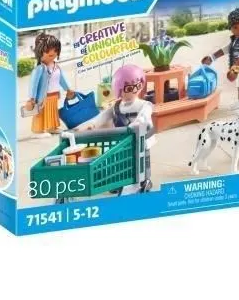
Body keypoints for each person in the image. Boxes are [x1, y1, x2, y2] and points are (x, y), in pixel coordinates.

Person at [82, 64, 154, 192]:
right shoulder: (116, 106)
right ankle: (120, 181)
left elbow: (144, 115)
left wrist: (138, 123)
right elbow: (104, 115)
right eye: (129, 88)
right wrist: (93, 124)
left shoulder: (144, 104)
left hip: (141, 139)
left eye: (138, 86)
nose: (134, 90)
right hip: (123, 140)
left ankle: (145, 180)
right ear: (119, 88)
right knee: (121, 160)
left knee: (142, 159)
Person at [202, 7, 239, 109]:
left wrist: (234, 69)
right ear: (231, 28)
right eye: (235, 27)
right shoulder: (235, 40)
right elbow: (226, 49)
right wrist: (212, 57)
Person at [25, 33, 75, 135]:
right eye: (47, 51)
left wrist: (68, 89)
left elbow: (61, 79)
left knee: (52, 112)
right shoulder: (40, 68)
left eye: (55, 50)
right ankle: (38, 130)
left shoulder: (56, 66)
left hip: (54, 95)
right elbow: (34, 84)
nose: (52, 53)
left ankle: (52, 127)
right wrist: (32, 98)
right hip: (43, 97)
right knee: (40, 113)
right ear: (40, 51)